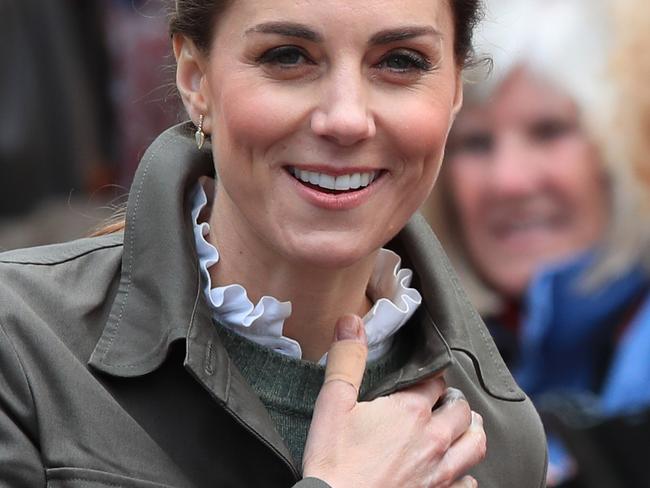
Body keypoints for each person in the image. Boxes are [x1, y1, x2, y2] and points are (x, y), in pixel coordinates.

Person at [0, 0, 548, 486]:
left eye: (400, 61)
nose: (346, 119)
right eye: (288, 56)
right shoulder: (20, 345)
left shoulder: (494, 432)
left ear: (455, 91)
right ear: (196, 80)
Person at [423, 0, 650, 485]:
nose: (509, 180)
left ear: (627, 154)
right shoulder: (409, 364)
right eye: (476, 142)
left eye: (549, 132)